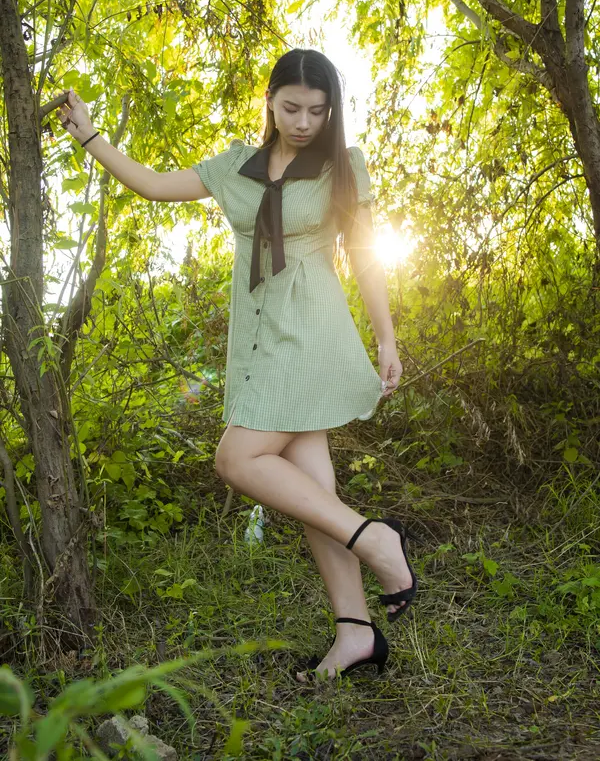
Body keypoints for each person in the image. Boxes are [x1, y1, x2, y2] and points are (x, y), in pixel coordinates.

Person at [56, 47, 418, 682]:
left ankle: (377, 541)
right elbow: (152, 184)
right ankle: (356, 632)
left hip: (309, 336)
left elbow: (365, 255)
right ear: (270, 102)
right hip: (259, 340)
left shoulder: (340, 167)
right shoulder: (235, 168)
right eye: (291, 108)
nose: (304, 122)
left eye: (317, 111)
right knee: (313, 493)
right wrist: (89, 136)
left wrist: (386, 338)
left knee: (235, 458)